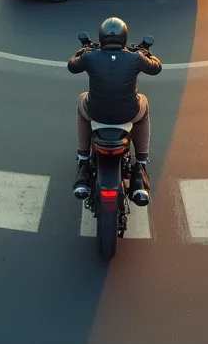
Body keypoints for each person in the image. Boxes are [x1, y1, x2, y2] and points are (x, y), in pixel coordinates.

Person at [68, 17, 161, 206]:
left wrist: (83, 49)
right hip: (129, 114)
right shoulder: (135, 58)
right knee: (144, 105)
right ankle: (141, 163)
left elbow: (72, 65)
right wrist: (145, 52)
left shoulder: (90, 57)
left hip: (96, 113)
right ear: (125, 38)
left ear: (101, 38)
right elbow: (156, 68)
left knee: (81, 100)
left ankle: (83, 157)